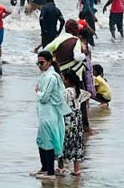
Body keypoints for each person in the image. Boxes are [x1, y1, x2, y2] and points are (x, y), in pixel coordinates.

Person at [33, 50, 71, 180]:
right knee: (41, 140)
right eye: (38, 63)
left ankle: (50, 172)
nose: (39, 66)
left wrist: (37, 92)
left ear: (49, 62)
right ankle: (44, 168)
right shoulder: (47, 75)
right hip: (45, 113)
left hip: (49, 113)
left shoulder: (50, 77)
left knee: (48, 142)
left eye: (42, 63)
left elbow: (44, 97)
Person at [57, 69, 91, 176]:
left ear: (67, 80)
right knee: (77, 144)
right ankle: (77, 170)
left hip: (67, 119)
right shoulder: (78, 90)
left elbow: (61, 104)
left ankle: (61, 167)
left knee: (62, 142)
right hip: (77, 119)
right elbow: (87, 95)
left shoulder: (66, 92)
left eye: (63, 78)